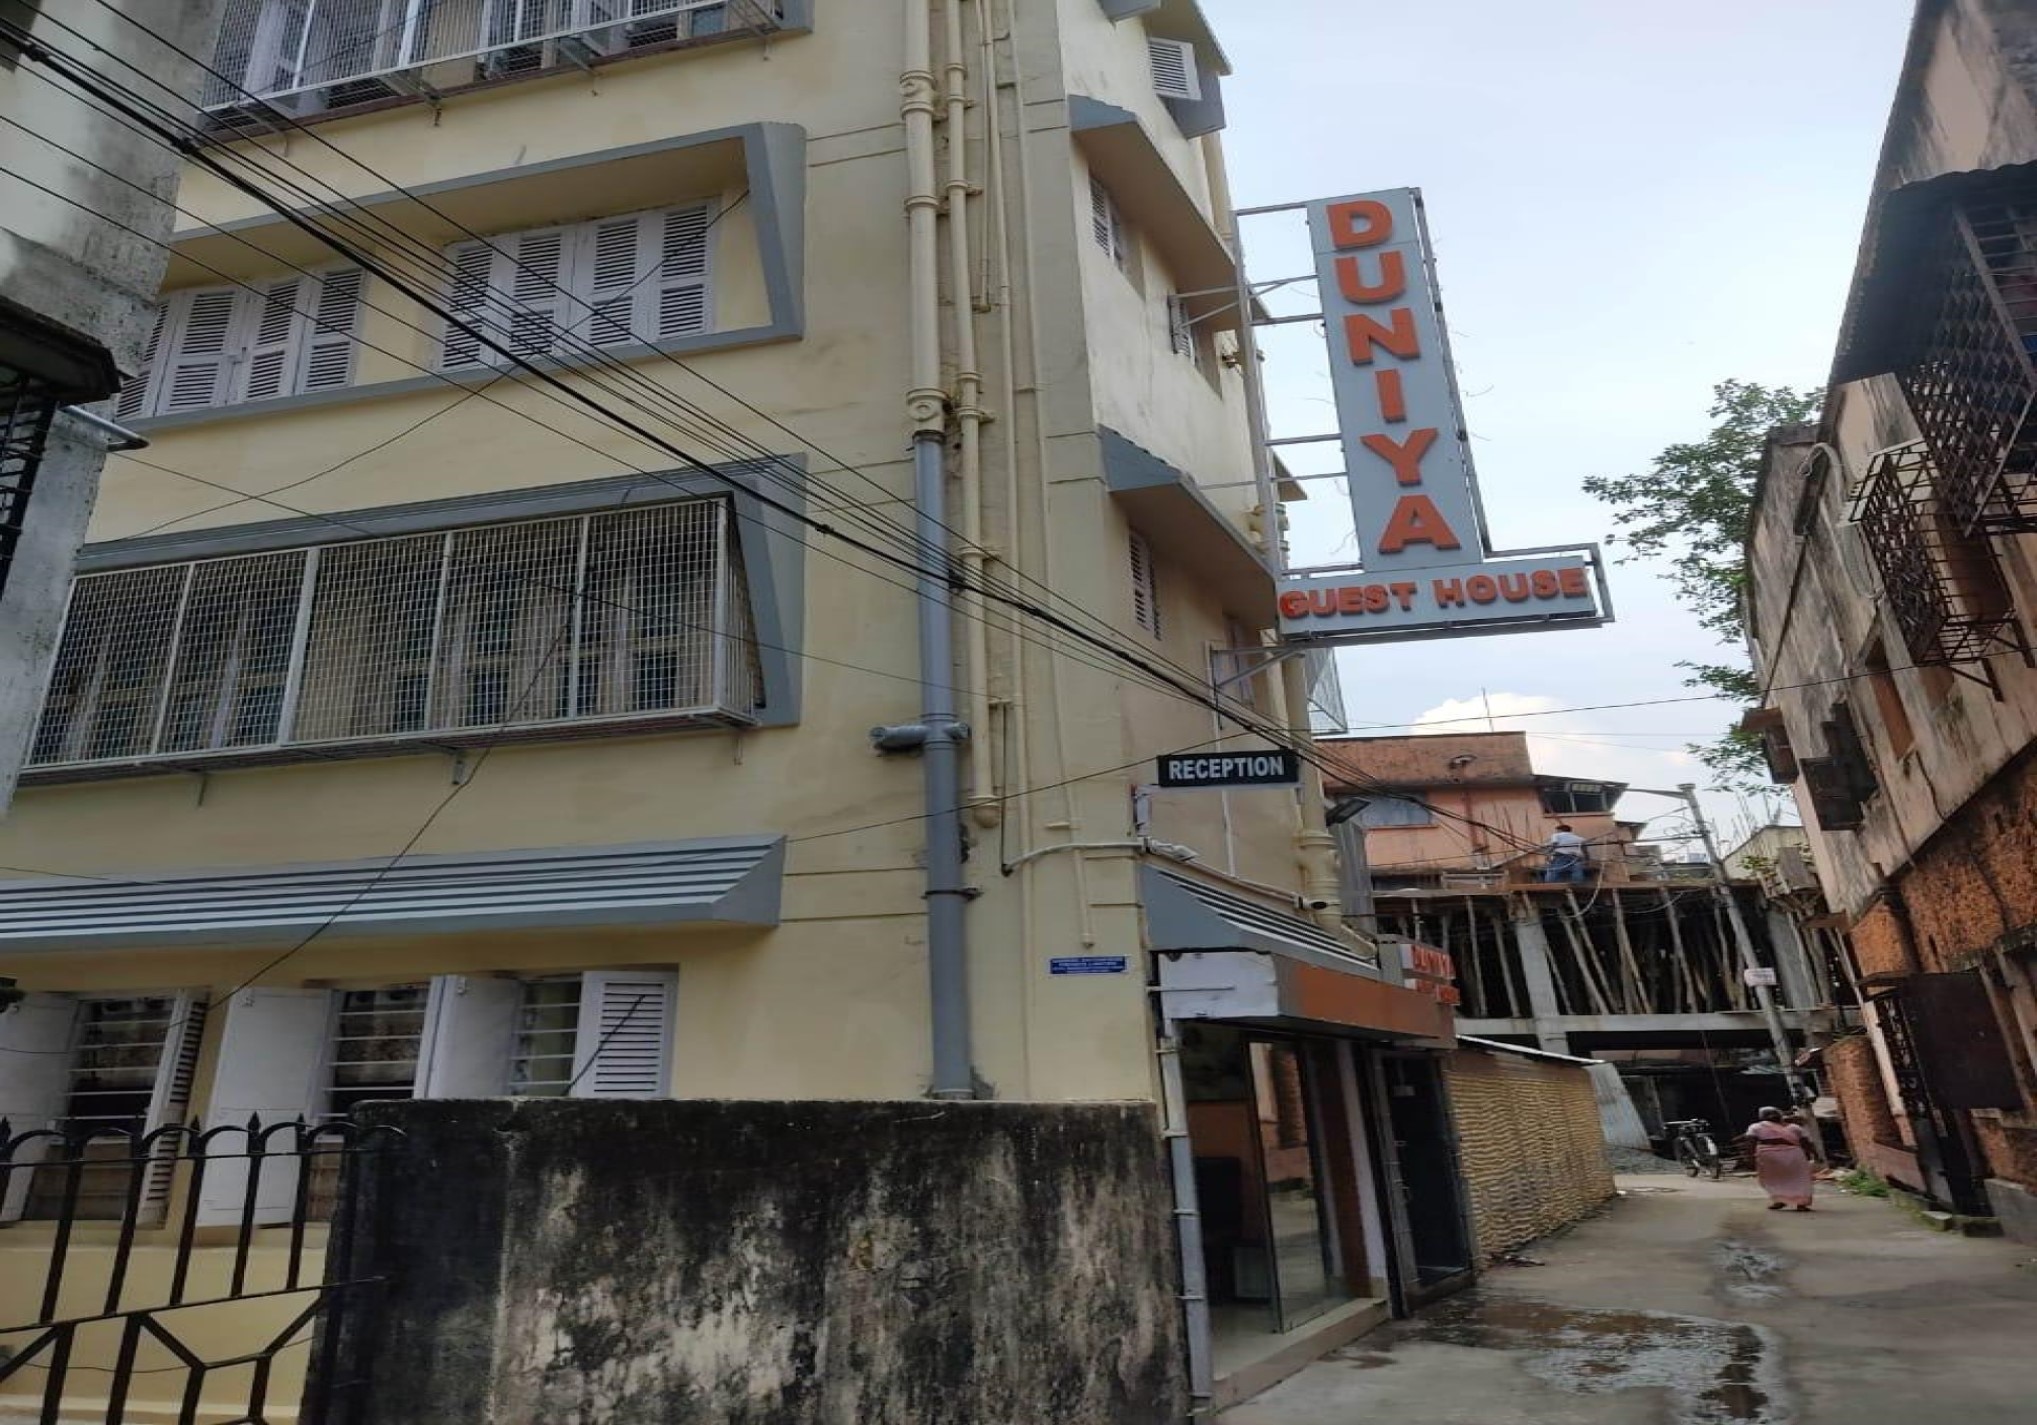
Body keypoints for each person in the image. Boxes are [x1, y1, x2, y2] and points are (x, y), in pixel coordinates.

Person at [1743, 1106, 1817, 1211]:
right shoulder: (1793, 1127)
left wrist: (1749, 1157)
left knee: (1794, 1179)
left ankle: (1798, 1202)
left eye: (1773, 1113)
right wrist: (1815, 1154)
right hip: (1777, 1157)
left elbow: (1750, 1143)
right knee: (1783, 1180)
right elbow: (1806, 1143)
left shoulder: (1794, 1128)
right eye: (1769, 1114)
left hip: (1785, 1156)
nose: (1772, 1116)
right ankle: (1783, 1200)